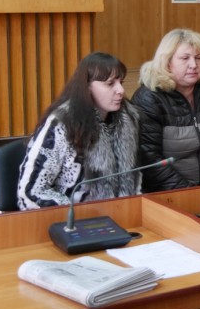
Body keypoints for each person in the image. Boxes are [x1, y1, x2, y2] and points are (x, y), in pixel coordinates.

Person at [17, 52, 141, 210]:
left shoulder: (129, 119)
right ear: (87, 87)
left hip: (123, 213)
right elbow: (31, 192)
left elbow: (135, 180)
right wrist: (79, 213)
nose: (121, 90)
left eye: (121, 82)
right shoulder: (62, 124)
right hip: (74, 217)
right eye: (110, 84)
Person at [131, 28, 200, 192]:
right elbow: (150, 158)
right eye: (185, 58)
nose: (193, 65)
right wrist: (189, 193)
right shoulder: (149, 99)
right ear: (167, 62)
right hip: (169, 193)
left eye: (198, 58)